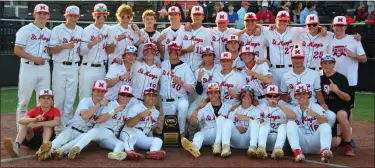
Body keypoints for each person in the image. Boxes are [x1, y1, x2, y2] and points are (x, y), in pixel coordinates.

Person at [68, 85, 136, 161]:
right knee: (92, 132)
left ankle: (115, 154)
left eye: (128, 96)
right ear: (118, 95)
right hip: (102, 130)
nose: (125, 97)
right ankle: (77, 148)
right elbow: (99, 120)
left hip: (111, 137)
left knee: (121, 144)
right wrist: (114, 111)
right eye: (123, 95)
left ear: (131, 97)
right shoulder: (110, 104)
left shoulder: (129, 109)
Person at [47, 80, 108, 160]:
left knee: (82, 139)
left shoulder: (105, 106)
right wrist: (99, 104)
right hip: (72, 129)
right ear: (93, 91)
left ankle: (60, 152)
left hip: (84, 135)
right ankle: (46, 151)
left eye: (103, 91)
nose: (100, 93)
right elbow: (85, 116)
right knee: (61, 139)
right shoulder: (85, 101)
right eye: (98, 90)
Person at [14, 4, 51, 129]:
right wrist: (34, 58)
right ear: (34, 14)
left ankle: (38, 129)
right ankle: (21, 131)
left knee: (44, 101)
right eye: (40, 13)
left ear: (48, 16)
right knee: (24, 101)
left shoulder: (49, 32)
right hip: (28, 67)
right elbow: (17, 50)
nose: (42, 16)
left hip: (44, 68)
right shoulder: (25, 30)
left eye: (45, 13)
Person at [280, 45, 336, 128]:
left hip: (311, 104)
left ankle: (323, 134)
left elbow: (318, 92)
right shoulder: (285, 75)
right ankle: (286, 138)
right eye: (295, 58)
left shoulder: (314, 74)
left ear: (303, 58)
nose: (298, 60)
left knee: (331, 116)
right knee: (280, 111)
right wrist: (286, 98)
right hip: (293, 105)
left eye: (300, 58)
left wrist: (323, 103)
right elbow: (283, 94)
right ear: (291, 59)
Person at [328, 16, 367, 127]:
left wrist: (353, 55)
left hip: (349, 80)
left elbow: (364, 59)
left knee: (348, 108)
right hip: (333, 79)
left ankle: (348, 136)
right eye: (336, 25)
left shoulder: (354, 39)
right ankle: (333, 134)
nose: (339, 28)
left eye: (342, 25)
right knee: (331, 107)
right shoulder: (330, 40)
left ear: (346, 26)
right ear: (333, 27)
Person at [49, 6, 83, 127]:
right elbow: (50, 49)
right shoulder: (57, 29)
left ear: (78, 17)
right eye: (70, 15)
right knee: (59, 99)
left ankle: (67, 127)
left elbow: (83, 50)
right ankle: (57, 127)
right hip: (59, 66)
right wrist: (64, 46)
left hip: (74, 67)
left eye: (75, 16)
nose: (73, 18)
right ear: (66, 16)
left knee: (70, 99)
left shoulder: (80, 30)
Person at [3, 89, 60, 161]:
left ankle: (44, 149)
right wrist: (34, 119)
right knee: (25, 125)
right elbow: (20, 120)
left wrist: (39, 123)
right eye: (43, 98)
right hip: (32, 138)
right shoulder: (35, 110)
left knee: (47, 126)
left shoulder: (55, 110)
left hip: (48, 139)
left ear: (52, 101)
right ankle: (16, 146)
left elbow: (57, 122)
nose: (46, 100)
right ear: (39, 100)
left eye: (48, 98)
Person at [181, 83, 231, 157]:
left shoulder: (228, 107)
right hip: (209, 133)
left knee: (222, 121)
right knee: (198, 134)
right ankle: (195, 148)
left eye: (215, 92)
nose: (213, 95)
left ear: (219, 94)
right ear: (207, 95)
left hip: (223, 135)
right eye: (210, 93)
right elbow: (192, 122)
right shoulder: (203, 107)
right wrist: (197, 109)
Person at [286, 83, 333, 163]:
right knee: (290, 124)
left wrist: (315, 114)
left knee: (325, 126)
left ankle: (325, 152)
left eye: (304, 93)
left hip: (316, 143)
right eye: (298, 94)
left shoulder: (316, 107)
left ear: (308, 94)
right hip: (301, 144)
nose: (301, 96)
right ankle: (297, 152)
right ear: (295, 96)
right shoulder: (293, 110)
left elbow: (325, 121)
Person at [320, 54, 354, 156]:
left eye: (330, 63)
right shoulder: (319, 79)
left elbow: (348, 98)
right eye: (325, 63)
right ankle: (342, 137)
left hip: (341, 108)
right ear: (321, 65)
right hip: (329, 111)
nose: (327, 66)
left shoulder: (341, 78)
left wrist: (336, 90)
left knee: (341, 115)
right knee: (333, 144)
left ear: (334, 64)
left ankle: (348, 145)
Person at [160, 41, 196, 136]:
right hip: (166, 101)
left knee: (183, 106)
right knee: (169, 131)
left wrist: (181, 83)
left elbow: (192, 89)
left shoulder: (185, 68)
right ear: (168, 51)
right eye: (171, 50)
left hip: (180, 99)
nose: (173, 52)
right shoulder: (162, 65)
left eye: (176, 50)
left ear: (180, 51)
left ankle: (182, 133)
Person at [120, 87, 166, 160]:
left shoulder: (156, 112)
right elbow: (129, 124)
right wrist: (140, 115)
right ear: (144, 97)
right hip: (130, 132)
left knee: (158, 140)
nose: (151, 98)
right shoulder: (136, 107)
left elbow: (150, 128)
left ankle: (153, 152)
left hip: (142, 137)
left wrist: (156, 128)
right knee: (131, 135)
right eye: (148, 95)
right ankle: (129, 151)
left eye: (153, 96)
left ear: (156, 98)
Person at [217, 85, 262, 157]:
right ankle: (226, 146)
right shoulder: (234, 110)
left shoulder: (257, 110)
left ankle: (253, 146)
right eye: (244, 94)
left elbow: (261, 124)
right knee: (227, 121)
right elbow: (227, 125)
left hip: (249, 139)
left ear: (253, 97)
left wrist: (246, 119)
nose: (246, 95)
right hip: (236, 139)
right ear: (241, 96)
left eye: (249, 94)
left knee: (255, 122)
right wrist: (237, 127)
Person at [187, 46, 222, 139]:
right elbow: (199, 92)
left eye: (210, 55)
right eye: (205, 55)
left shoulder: (220, 67)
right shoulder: (199, 70)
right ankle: (192, 133)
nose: (207, 57)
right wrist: (199, 79)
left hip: (218, 97)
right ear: (202, 57)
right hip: (202, 97)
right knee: (190, 114)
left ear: (214, 56)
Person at [79, 3, 111, 100]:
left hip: (101, 68)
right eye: (98, 14)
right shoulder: (87, 30)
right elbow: (82, 52)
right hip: (87, 67)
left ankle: (97, 116)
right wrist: (92, 43)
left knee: (100, 97)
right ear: (94, 15)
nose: (101, 16)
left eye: (104, 14)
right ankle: (83, 115)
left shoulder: (109, 29)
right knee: (85, 96)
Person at [256, 85, 296, 159]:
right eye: (269, 95)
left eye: (275, 96)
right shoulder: (260, 107)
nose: (272, 98)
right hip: (266, 139)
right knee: (264, 124)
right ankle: (261, 147)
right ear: (265, 96)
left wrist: (278, 105)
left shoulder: (286, 106)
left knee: (283, 126)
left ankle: (278, 149)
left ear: (279, 96)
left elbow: (293, 116)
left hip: (281, 141)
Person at [178, 5, 213, 72]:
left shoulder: (207, 32)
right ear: (191, 16)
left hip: (198, 68)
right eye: (194, 14)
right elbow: (175, 51)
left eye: (199, 14)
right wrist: (186, 50)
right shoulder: (183, 30)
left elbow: (209, 54)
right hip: (182, 67)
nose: (197, 16)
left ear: (203, 17)